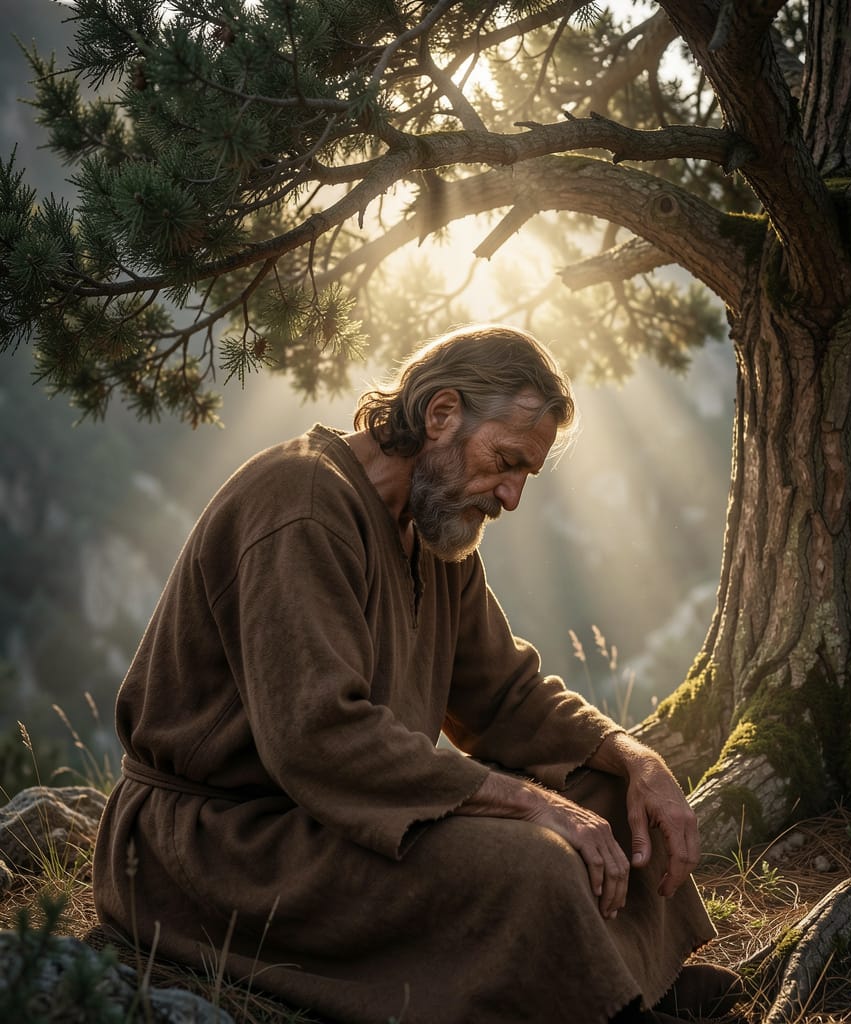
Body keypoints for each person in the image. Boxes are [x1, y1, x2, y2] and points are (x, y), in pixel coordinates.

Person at [93, 325, 741, 1023]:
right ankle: (610, 1012)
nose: (513, 496)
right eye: (505, 462)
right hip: (218, 845)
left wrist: (635, 759)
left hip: (323, 820)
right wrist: (529, 804)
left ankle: (635, 985)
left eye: (525, 473)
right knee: (534, 859)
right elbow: (317, 736)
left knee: (610, 796)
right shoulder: (302, 503)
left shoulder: (432, 534)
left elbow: (505, 697)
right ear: (441, 415)